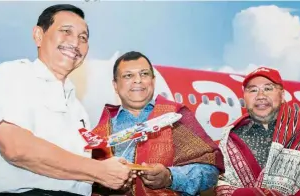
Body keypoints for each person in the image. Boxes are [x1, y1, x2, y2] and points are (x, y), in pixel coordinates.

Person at [0, 4, 131, 195]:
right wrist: (98, 171)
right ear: (38, 35)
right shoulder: (12, 74)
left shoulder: (77, 109)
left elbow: (69, 170)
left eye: (83, 37)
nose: (75, 43)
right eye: (66, 31)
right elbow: (16, 147)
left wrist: (113, 174)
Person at [91, 51, 224, 196]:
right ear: (115, 85)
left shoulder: (175, 116)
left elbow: (210, 171)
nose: (138, 80)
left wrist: (170, 177)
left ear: (153, 81)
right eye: (128, 75)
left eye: (144, 74)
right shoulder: (101, 130)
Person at [215, 67, 300, 196]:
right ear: (244, 98)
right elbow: (219, 183)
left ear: (282, 95)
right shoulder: (229, 140)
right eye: (253, 90)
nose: (260, 96)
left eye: (268, 88)